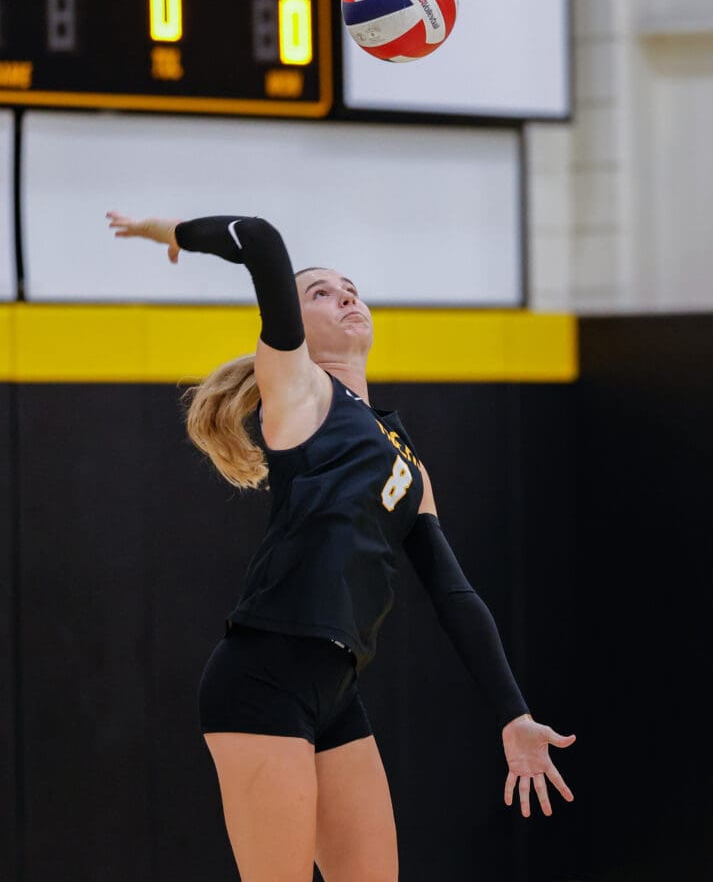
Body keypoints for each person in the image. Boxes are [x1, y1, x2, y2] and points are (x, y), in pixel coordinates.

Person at [106, 210, 576, 882]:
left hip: (336, 687)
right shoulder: (298, 388)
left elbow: (453, 593)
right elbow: (259, 239)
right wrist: (169, 232)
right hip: (263, 673)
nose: (345, 297)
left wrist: (513, 714)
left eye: (351, 288)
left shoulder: (403, 455)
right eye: (320, 292)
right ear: (292, 324)